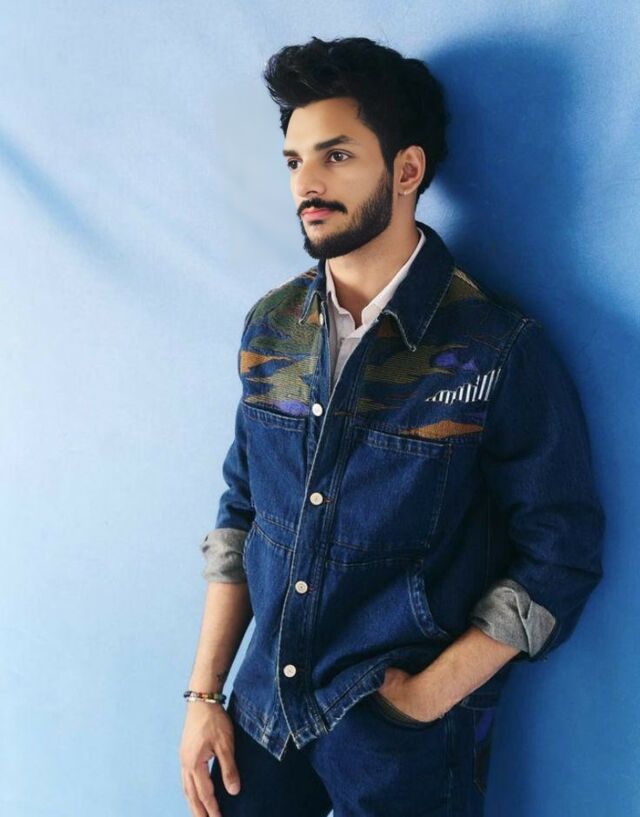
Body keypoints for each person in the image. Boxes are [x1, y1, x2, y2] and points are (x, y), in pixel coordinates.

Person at [179, 35, 605, 817]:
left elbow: (561, 550)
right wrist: (204, 694)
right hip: (262, 720)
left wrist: (426, 698)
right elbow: (241, 513)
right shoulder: (272, 327)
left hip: (398, 742)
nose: (306, 183)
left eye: (336, 156)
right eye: (294, 160)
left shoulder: (494, 348)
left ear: (407, 170)